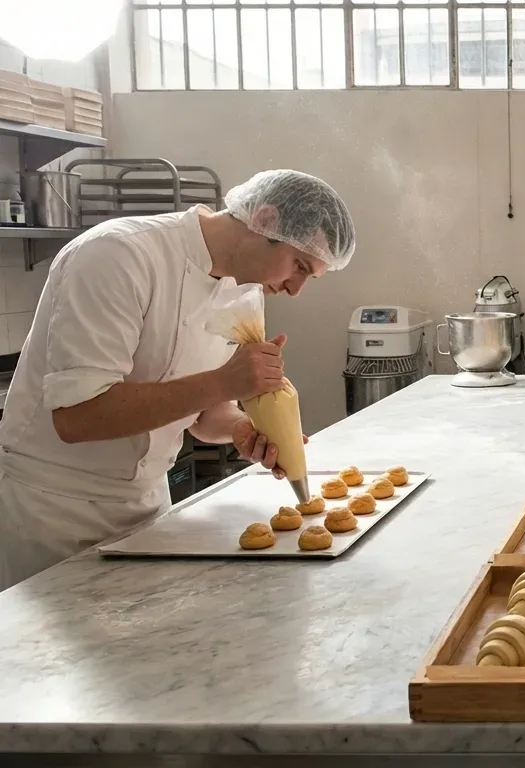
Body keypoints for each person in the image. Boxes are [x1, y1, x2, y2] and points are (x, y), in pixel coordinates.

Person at [0, 170, 356, 590]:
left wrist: (241, 428)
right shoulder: (117, 255)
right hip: (52, 513)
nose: (296, 289)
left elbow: (205, 414)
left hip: (149, 507)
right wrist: (225, 382)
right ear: (264, 220)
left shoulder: (245, 291)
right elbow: (78, 417)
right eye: (299, 266)